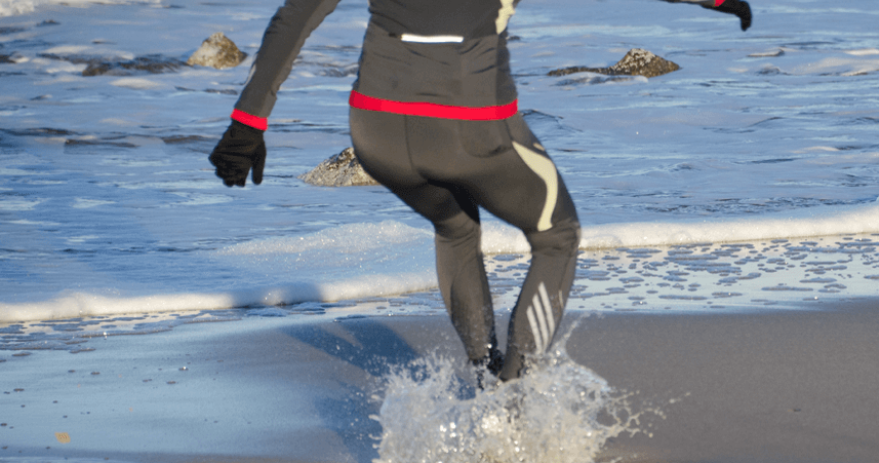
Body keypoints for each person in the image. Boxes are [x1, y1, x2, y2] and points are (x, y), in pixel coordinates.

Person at [208, 0, 752, 382]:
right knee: (557, 234)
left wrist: (247, 122)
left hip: (374, 132)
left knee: (455, 225)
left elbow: (296, 15)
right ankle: (513, 392)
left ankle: (481, 370)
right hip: (470, 130)